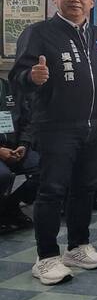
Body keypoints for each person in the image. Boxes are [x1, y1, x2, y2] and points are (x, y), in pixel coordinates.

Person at [10, 0, 97, 284]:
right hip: (57, 127)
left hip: (96, 126)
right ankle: (46, 257)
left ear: (92, 1)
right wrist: (32, 77)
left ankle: (78, 246)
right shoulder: (39, 33)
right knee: (52, 190)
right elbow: (17, 77)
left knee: (85, 188)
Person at [0, 77, 39, 234]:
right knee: (3, 175)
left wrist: (23, 144)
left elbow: (27, 121)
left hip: (16, 148)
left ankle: (10, 205)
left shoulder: (11, 88)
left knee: (48, 167)